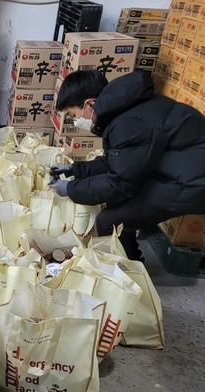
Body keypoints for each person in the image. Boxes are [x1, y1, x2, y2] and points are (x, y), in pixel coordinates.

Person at [48, 69, 205, 261]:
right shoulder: (125, 110)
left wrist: (71, 189)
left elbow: (120, 183)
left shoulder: (129, 123)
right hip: (177, 169)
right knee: (117, 206)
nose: (76, 121)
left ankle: (127, 270)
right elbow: (118, 161)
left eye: (74, 115)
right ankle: (133, 260)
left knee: (110, 222)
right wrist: (76, 170)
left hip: (191, 182)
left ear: (90, 104)